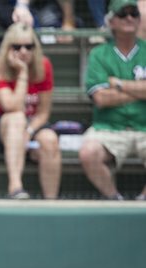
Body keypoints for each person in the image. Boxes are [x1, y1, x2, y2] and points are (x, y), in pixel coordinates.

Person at [0, 22, 61, 200]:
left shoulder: (44, 65)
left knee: (50, 140)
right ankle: (15, 187)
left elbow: (43, 113)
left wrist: (29, 132)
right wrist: (22, 73)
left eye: (29, 46)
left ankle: (51, 202)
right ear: (8, 48)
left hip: (27, 127)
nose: (23, 51)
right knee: (16, 117)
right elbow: (11, 106)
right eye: (17, 47)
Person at [79, 0, 146, 201]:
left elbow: (109, 94)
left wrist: (118, 84)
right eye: (122, 14)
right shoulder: (100, 54)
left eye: (133, 13)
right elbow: (101, 98)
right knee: (88, 152)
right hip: (108, 127)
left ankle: (143, 202)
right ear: (111, 21)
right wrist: (140, 90)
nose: (129, 18)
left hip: (144, 127)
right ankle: (115, 198)